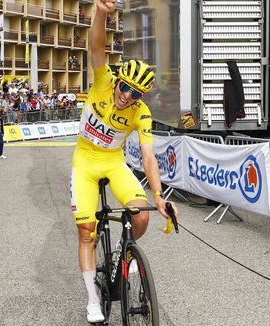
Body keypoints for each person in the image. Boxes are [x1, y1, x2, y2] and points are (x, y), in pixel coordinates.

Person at [73, 0, 178, 323]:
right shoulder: (103, 80)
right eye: (124, 87)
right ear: (117, 81)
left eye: (134, 93)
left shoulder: (140, 113)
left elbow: (148, 156)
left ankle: (127, 253)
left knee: (142, 215)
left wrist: (159, 197)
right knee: (87, 232)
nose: (125, 96)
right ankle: (93, 299)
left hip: (114, 163)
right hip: (85, 164)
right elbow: (97, 44)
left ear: (140, 97)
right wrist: (102, 13)